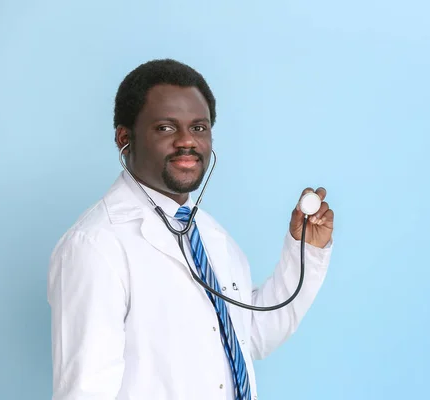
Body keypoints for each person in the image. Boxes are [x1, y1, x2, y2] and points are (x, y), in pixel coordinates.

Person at [47, 58, 335, 400]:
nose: (187, 141)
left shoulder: (210, 236)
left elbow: (251, 337)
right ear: (125, 138)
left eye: (199, 127)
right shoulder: (95, 246)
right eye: (166, 128)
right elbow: (86, 391)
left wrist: (306, 252)